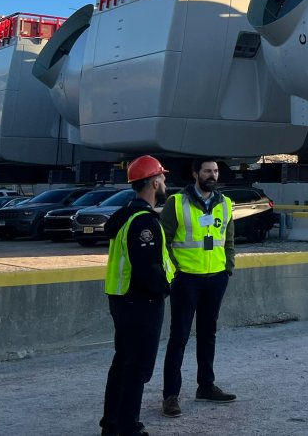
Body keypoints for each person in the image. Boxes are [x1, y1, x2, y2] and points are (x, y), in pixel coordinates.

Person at [101, 155, 174, 436]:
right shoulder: (144, 222)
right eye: (163, 178)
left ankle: (112, 424)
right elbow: (148, 268)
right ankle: (128, 427)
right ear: (154, 182)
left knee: (122, 363)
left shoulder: (126, 214)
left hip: (122, 298)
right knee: (136, 368)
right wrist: (164, 288)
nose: (165, 182)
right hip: (141, 302)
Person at [160, 158, 237, 418]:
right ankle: (171, 395)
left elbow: (229, 239)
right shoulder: (176, 203)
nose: (212, 175)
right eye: (207, 170)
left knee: (208, 334)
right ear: (195, 173)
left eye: (215, 171)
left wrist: (228, 267)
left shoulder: (225, 204)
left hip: (216, 278)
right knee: (179, 337)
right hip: (187, 280)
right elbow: (164, 241)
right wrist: (176, 272)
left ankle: (206, 386)